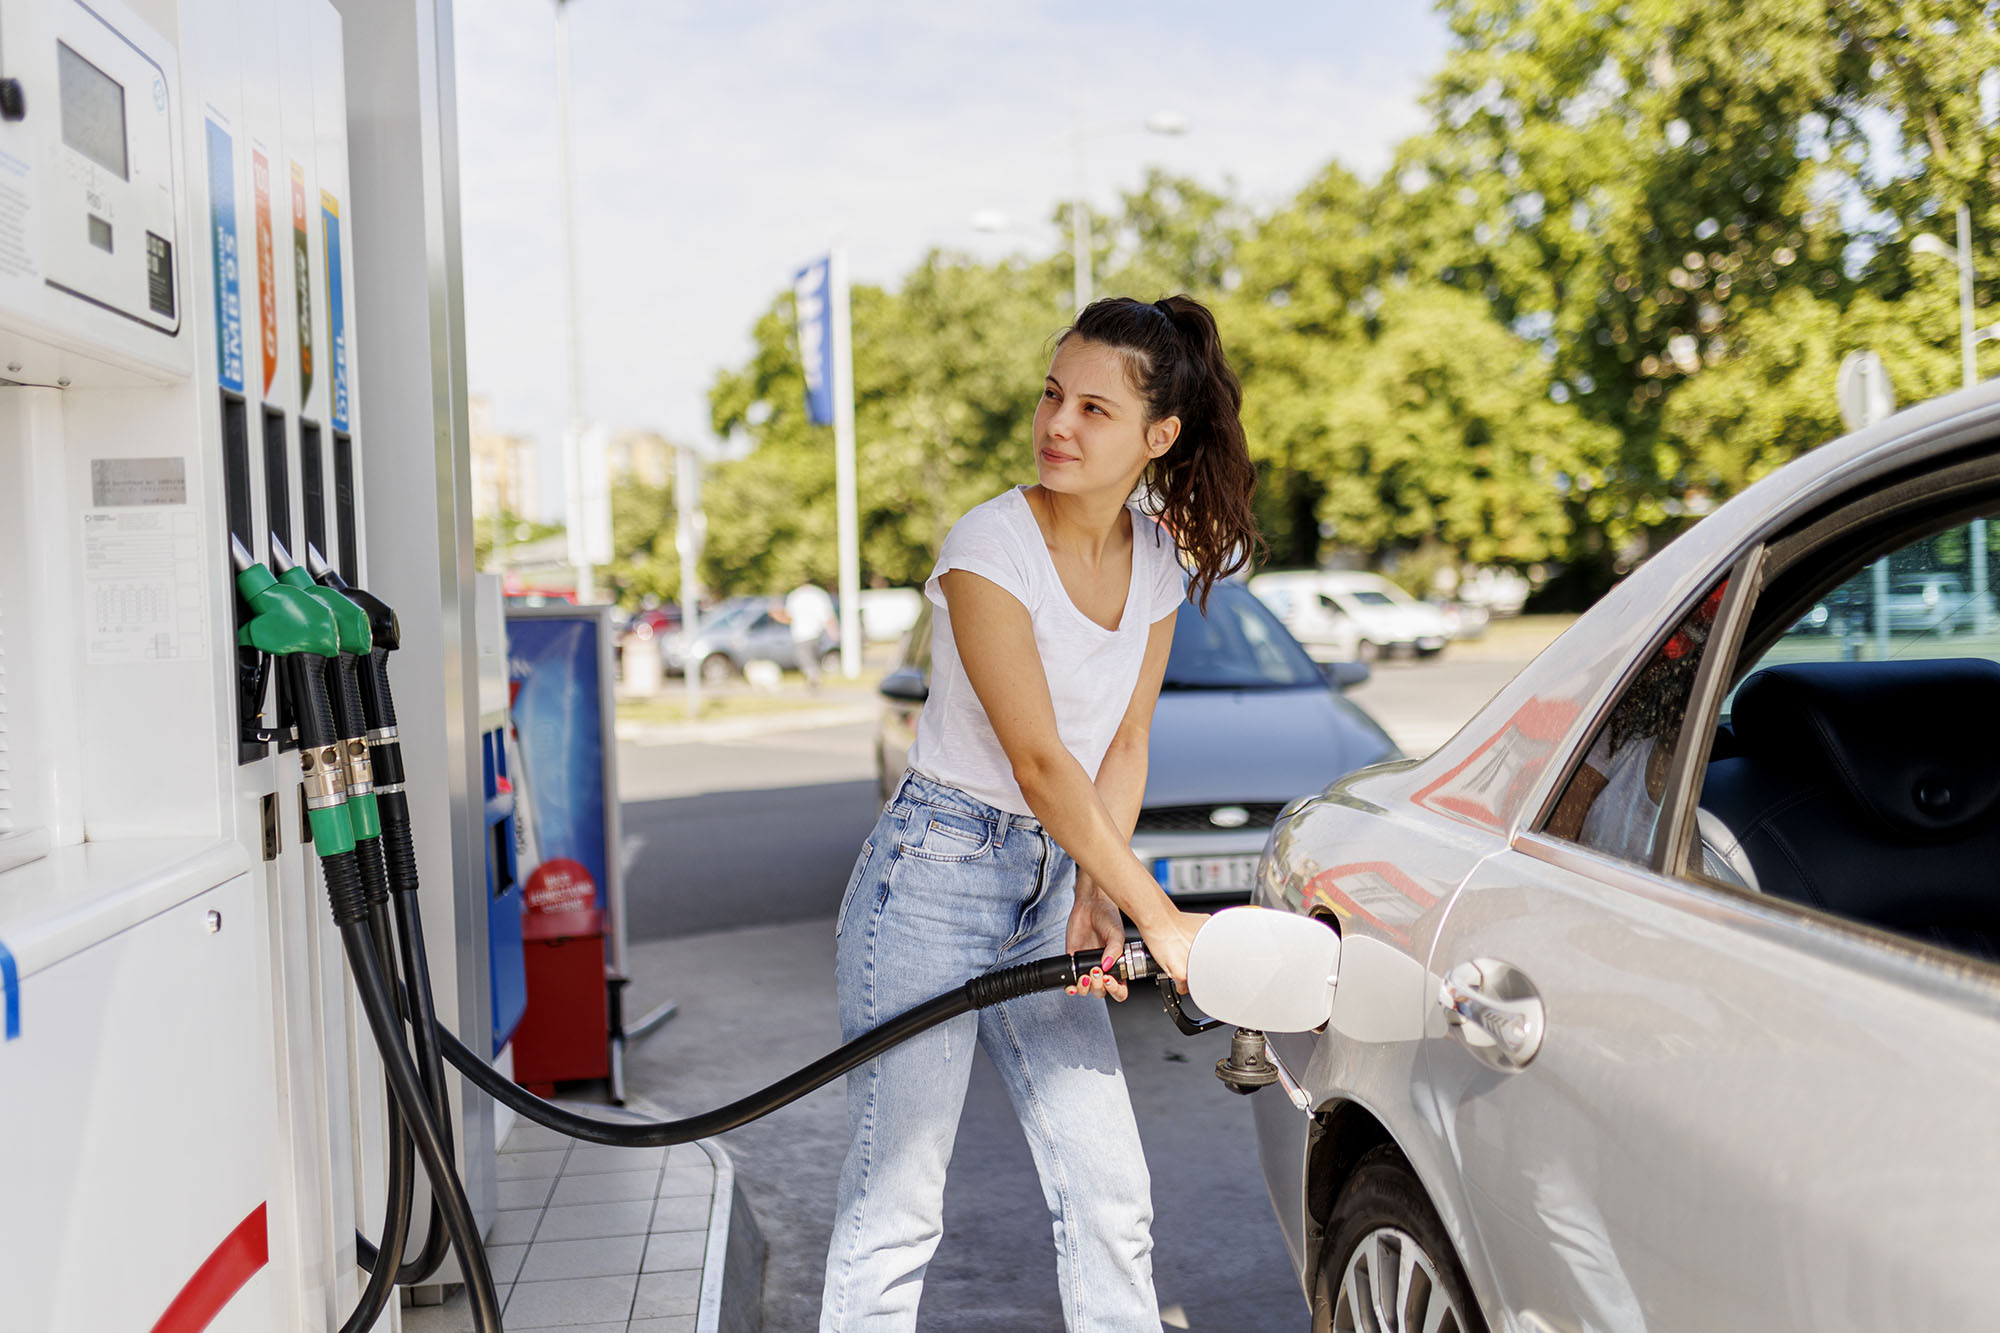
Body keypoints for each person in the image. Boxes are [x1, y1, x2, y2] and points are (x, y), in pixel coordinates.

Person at [820, 295, 1260, 1332]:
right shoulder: (988, 548)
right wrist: (1158, 913)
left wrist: (1098, 894)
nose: (1057, 424)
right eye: (1052, 395)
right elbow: (1037, 760)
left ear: (1157, 437)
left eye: (1093, 409)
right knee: (897, 1207)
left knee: (1109, 1193)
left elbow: (1125, 744)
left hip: (1050, 884)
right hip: (930, 874)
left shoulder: (1153, 560)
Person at [783, 580, 836, 691]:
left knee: (804, 658)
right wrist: (833, 632)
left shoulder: (795, 596)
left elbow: (789, 616)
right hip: (817, 632)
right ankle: (815, 676)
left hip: (801, 633)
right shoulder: (819, 594)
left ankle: (813, 676)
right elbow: (828, 616)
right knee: (814, 656)